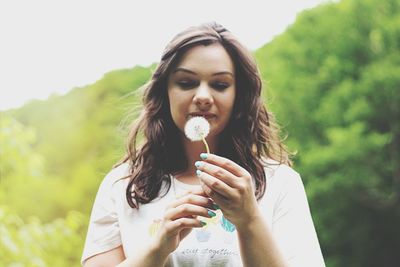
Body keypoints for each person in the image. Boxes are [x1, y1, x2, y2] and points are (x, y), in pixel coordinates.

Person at [81, 22, 326, 267]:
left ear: (238, 95)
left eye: (220, 85)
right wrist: (160, 245)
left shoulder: (280, 182)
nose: (203, 97)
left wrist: (249, 219)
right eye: (186, 83)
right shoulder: (124, 185)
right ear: (165, 91)